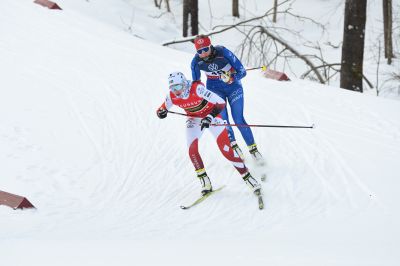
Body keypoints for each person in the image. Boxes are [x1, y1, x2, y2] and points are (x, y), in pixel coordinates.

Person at [156, 71, 261, 196]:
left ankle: (248, 177)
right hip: (194, 120)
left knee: (226, 150)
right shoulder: (172, 96)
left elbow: (221, 102)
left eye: (178, 87)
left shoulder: (198, 89)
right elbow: (161, 109)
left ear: (184, 84)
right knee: (192, 150)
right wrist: (161, 113)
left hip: (212, 116)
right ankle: (205, 182)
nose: (176, 91)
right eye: (172, 88)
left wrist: (210, 117)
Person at [190, 34, 264, 165]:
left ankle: (254, 151)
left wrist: (231, 78)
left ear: (210, 46)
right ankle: (235, 148)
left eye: (205, 49)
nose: (203, 53)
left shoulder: (223, 52)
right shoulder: (196, 62)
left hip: (233, 87)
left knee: (238, 119)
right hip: (214, 89)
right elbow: (196, 84)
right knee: (224, 121)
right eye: (199, 51)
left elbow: (242, 72)